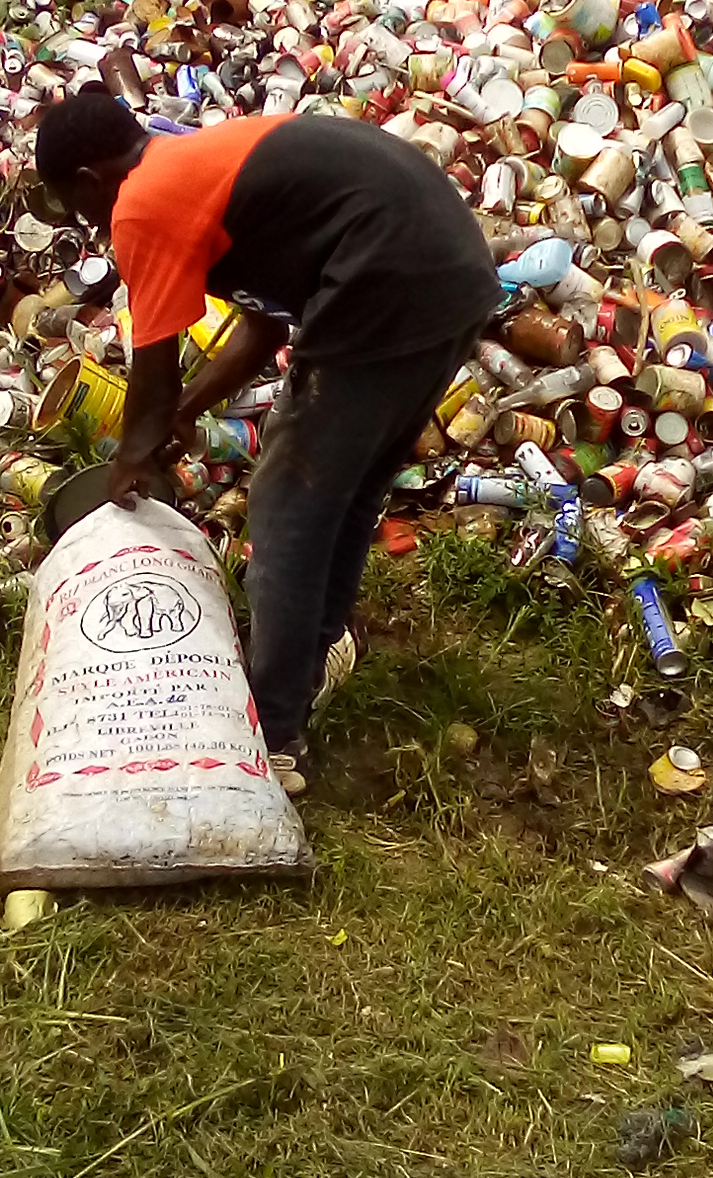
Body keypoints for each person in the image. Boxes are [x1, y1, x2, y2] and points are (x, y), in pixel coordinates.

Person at [36, 87, 500, 796]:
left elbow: (152, 374)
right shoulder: (192, 167)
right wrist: (187, 412)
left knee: (286, 502)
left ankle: (272, 736)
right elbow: (264, 328)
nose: (88, 224)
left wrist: (130, 460)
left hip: (390, 271)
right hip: (451, 270)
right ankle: (308, 665)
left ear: (89, 180)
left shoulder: (139, 202)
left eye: (75, 205)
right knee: (347, 490)